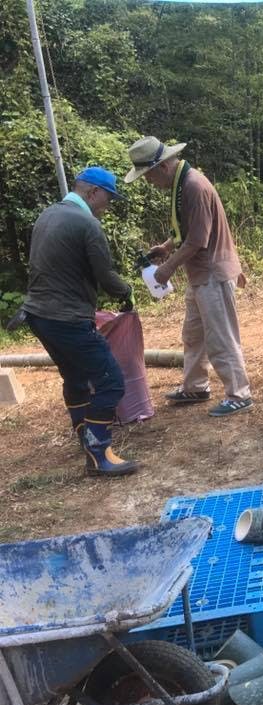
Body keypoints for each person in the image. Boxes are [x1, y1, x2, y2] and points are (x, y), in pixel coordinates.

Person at [124, 136, 253, 417]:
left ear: (161, 167)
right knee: (193, 335)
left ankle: (239, 394)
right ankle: (195, 387)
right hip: (200, 275)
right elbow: (187, 230)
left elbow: (197, 240)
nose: (149, 182)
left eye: (148, 176)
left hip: (213, 273)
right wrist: (165, 247)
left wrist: (167, 267)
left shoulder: (194, 186)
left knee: (221, 337)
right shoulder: (182, 184)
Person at [22, 167, 139, 476]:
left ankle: (84, 437)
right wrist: (126, 293)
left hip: (38, 315)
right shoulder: (87, 224)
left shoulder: (48, 215)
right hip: (67, 319)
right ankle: (98, 455)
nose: (107, 206)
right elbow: (105, 275)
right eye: (108, 198)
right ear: (93, 193)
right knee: (111, 381)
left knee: (74, 377)